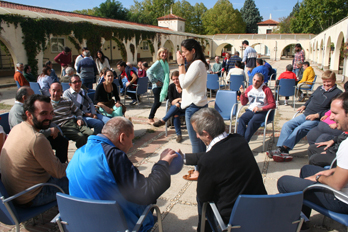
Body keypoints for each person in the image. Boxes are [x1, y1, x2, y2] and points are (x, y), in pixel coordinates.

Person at [66, 117, 176, 231]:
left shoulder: (79, 152)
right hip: (113, 225)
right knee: (150, 200)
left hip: (81, 222)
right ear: (122, 137)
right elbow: (146, 192)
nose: (132, 144)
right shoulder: (113, 156)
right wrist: (163, 163)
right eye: (131, 139)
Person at [181, 108, 267, 231]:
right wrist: (184, 158)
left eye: (197, 133)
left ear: (206, 134)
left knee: (201, 201)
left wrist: (202, 176)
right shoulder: (239, 140)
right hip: (261, 208)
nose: (196, 136)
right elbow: (219, 153)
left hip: (234, 219)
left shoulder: (209, 161)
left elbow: (203, 195)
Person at [277, 92, 348, 230]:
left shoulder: (346, 145)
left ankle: (288, 225)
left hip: (341, 200)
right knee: (306, 170)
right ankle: (302, 222)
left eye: (335, 113)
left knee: (284, 182)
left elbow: (337, 184)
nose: (330, 117)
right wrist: (331, 171)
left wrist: (318, 178)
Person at [0, 94, 68, 207]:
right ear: (29, 114)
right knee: (82, 178)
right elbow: (59, 172)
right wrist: (79, 163)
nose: (49, 118)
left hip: (12, 194)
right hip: (30, 197)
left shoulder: (17, 128)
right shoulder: (37, 139)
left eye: (51, 113)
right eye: (43, 113)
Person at [268, 70, 342, 162]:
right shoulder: (319, 88)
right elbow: (311, 98)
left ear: (334, 80)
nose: (326, 84)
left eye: (329, 82)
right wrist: (304, 105)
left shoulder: (338, 93)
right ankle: (281, 149)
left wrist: (317, 115)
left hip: (317, 118)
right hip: (306, 114)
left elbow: (332, 110)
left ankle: (283, 150)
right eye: (324, 81)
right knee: (287, 125)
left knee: (300, 129)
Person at [9, 86, 69, 163]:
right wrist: (49, 131)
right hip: (30, 140)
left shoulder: (26, 107)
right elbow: (25, 134)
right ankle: (57, 168)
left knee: (61, 140)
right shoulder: (16, 111)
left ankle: (60, 165)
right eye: (32, 96)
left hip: (38, 134)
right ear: (24, 98)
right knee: (59, 143)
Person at [176, 39, 209, 180]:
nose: (183, 55)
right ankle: (203, 169)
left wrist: (180, 65)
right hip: (199, 105)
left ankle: (198, 171)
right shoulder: (200, 64)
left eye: (185, 52)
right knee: (201, 142)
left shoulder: (196, 64)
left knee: (196, 142)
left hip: (193, 107)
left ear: (193, 51)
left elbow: (183, 84)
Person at [50, 83, 95, 148]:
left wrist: (79, 118)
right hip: (63, 126)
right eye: (54, 91)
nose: (56, 93)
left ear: (61, 92)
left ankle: (89, 152)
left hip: (74, 122)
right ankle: (80, 154)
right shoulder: (47, 104)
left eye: (58, 91)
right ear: (50, 91)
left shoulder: (66, 100)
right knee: (81, 137)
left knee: (92, 134)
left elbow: (78, 111)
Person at [237, 73, 276, 142]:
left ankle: (243, 144)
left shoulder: (266, 90)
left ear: (262, 81)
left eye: (258, 81)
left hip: (262, 112)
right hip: (251, 110)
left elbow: (273, 105)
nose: (255, 82)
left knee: (252, 122)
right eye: (254, 80)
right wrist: (242, 94)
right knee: (241, 119)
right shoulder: (249, 88)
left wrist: (261, 109)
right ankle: (240, 141)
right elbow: (244, 103)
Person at [152, 71, 185, 143]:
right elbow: (171, 101)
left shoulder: (184, 86)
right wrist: (179, 99)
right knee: (176, 114)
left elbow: (186, 100)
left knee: (177, 105)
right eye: (173, 79)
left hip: (186, 108)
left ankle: (163, 120)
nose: (175, 81)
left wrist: (178, 101)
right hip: (176, 108)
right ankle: (179, 135)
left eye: (177, 79)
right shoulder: (171, 87)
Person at [147, 48, 170, 124]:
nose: (164, 54)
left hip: (164, 86)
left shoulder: (165, 63)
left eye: (166, 53)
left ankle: (170, 117)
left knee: (170, 100)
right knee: (157, 103)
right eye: (162, 53)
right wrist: (155, 81)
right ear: (159, 54)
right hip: (157, 86)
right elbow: (149, 71)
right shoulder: (158, 63)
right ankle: (150, 118)